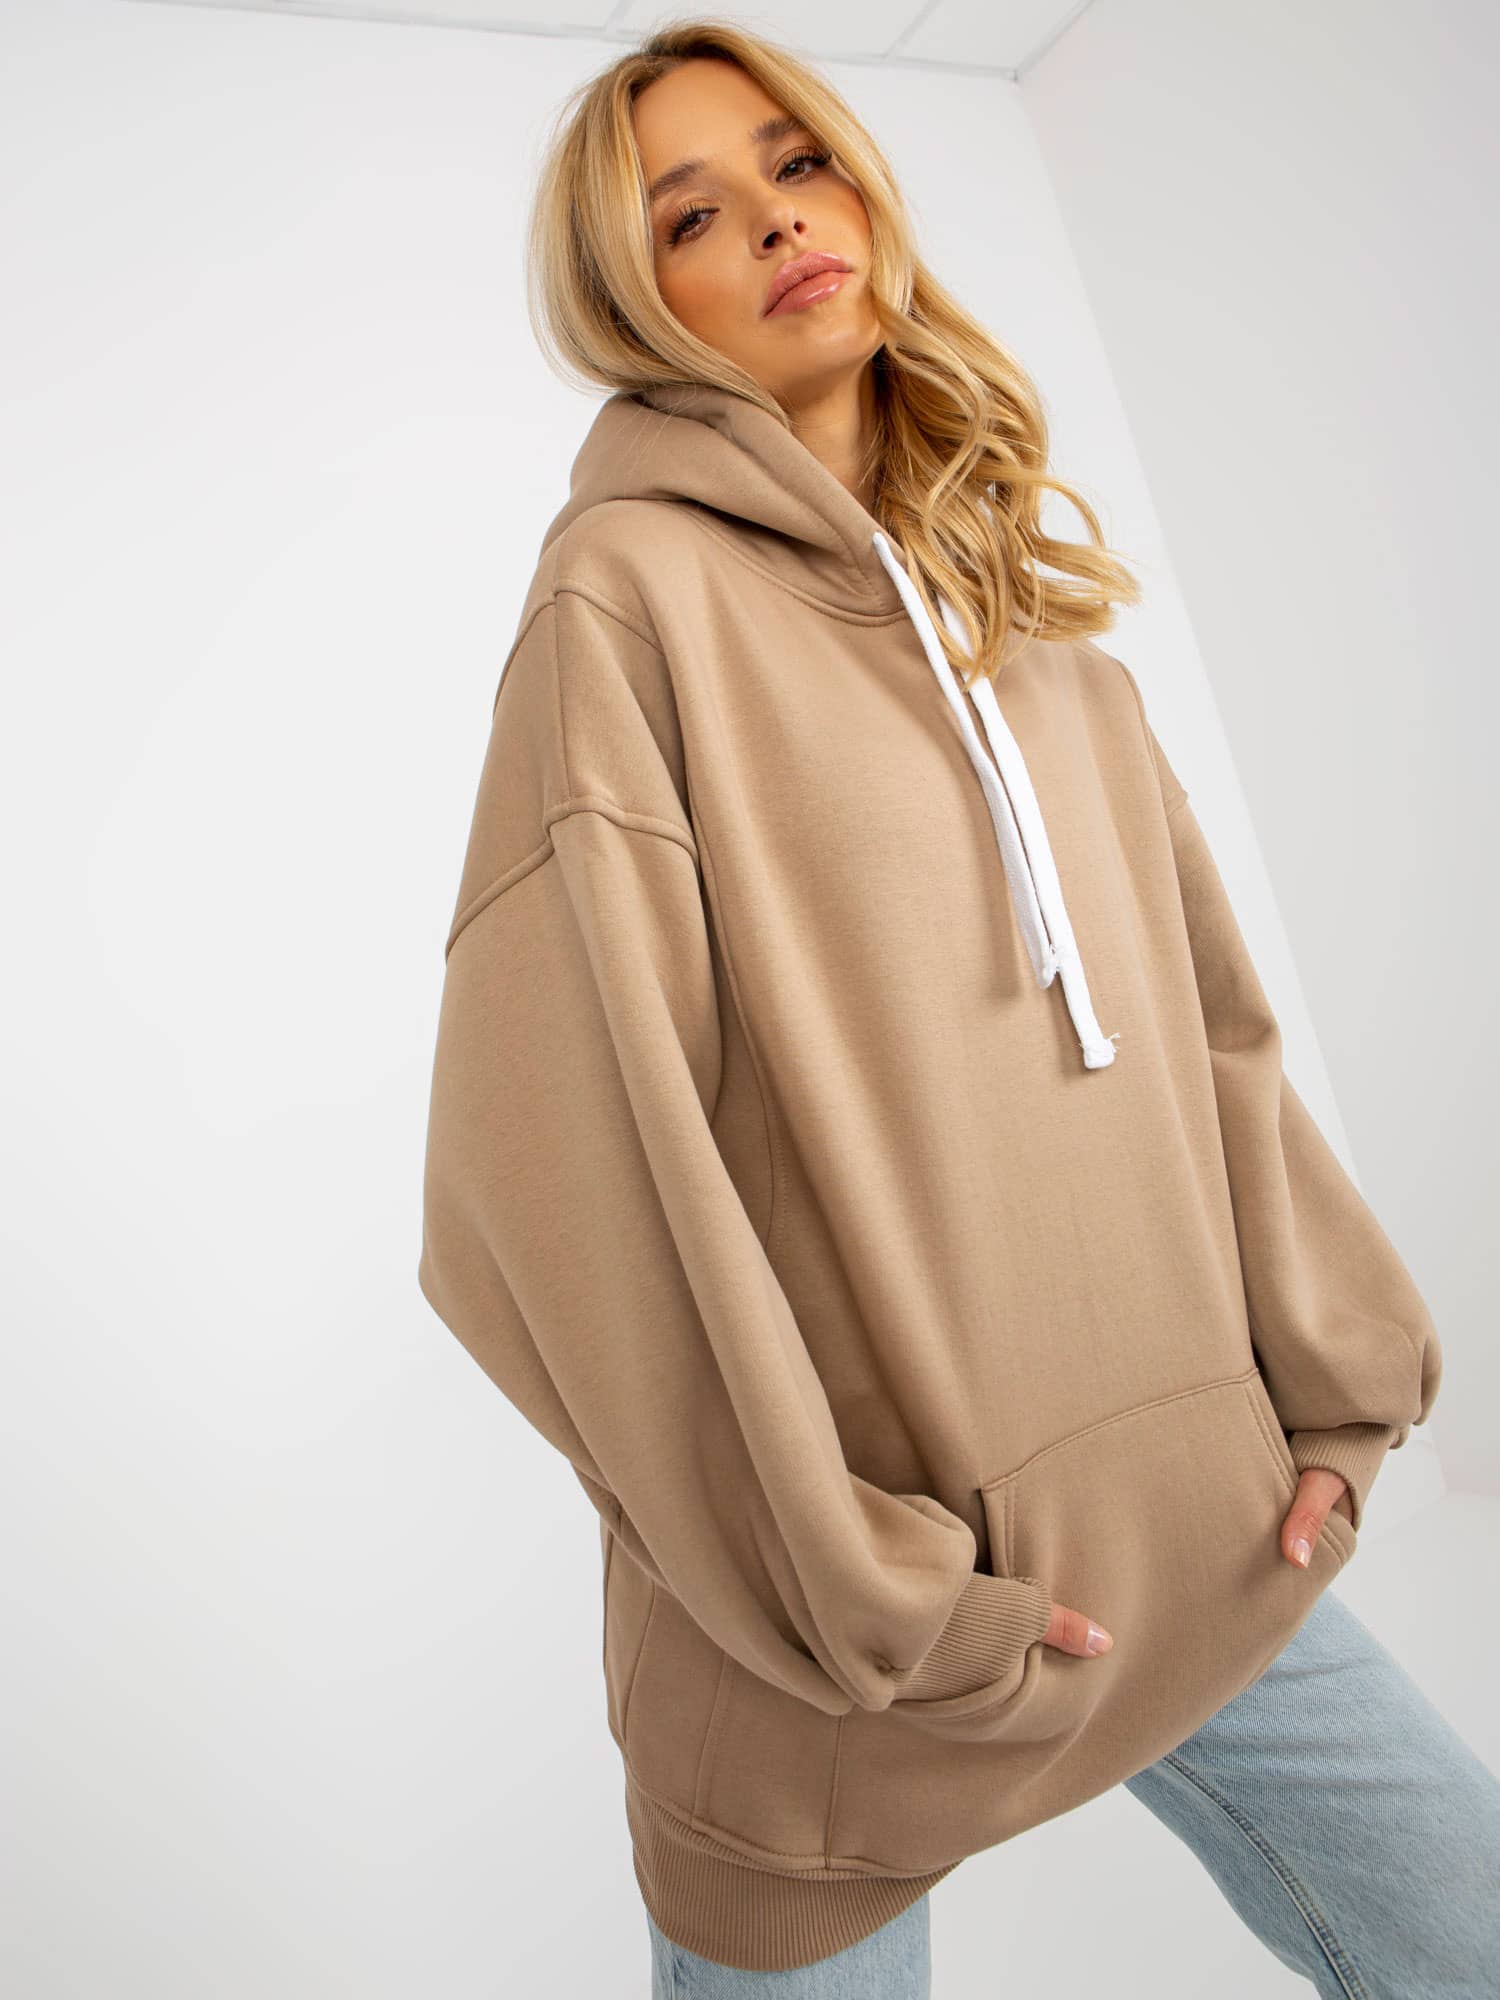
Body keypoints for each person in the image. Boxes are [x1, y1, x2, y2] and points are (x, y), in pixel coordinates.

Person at [415, 18, 1498, 1995]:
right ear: (630, 301)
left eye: (796, 163)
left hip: (1196, 1532)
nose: (775, 222)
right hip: (860, 1648)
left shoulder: (1033, 621)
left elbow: (1216, 1036)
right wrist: (864, 1585)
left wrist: (1334, 1391)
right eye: (689, 215)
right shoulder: (623, 608)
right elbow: (550, 1194)